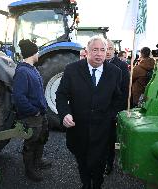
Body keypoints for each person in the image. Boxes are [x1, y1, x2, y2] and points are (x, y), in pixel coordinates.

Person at [56, 36, 123, 189]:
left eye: (102, 50)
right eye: (95, 50)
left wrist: (111, 117)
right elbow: (61, 95)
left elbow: (117, 99)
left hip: (103, 130)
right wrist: (65, 113)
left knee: (99, 162)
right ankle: (86, 184)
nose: (99, 54)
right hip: (78, 128)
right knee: (82, 161)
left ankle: (97, 184)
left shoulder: (115, 72)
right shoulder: (72, 69)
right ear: (87, 52)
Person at [13, 39, 51, 182]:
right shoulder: (22, 71)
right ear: (32, 53)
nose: (39, 54)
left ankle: (38, 161)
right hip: (31, 115)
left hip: (40, 113)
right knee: (31, 142)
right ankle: (29, 170)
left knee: (42, 137)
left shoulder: (32, 69)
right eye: (37, 51)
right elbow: (19, 97)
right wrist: (33, 111)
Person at [104, 39, 130, 175]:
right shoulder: (97, 65)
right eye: (105, 48)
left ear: (114, 50)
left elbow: (125, 91)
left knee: (111, 139)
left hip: (113, 111)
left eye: (110, 48)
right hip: (99, 110)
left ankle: (109, 163)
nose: (107, 51)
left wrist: (119, 111)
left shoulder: (122, 66)